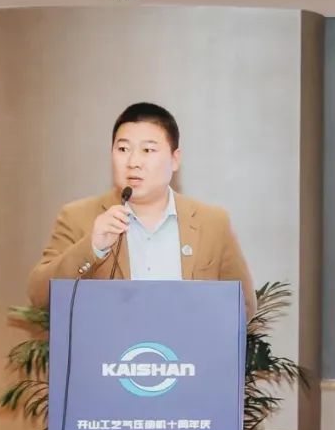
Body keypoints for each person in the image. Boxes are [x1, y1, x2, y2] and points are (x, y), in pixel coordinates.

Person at [27, 102, 256, 318]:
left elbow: (242, 307)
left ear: (175, 159)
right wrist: (92, 247)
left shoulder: (213, 222)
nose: (133, 161)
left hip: (187, 348)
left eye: (148, 150)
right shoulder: (78, 217)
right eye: (123, 149)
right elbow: (40, 297)